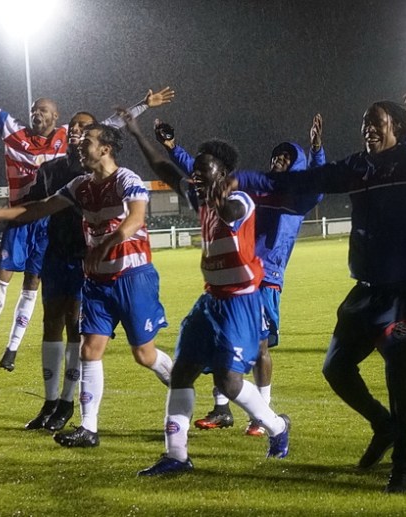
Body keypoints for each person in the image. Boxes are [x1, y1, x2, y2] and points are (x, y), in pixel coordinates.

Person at [244, 97, 406, 493]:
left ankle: (403, 464)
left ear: (399, 128)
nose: (368, 128)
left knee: (397, 373)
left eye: (377, 122)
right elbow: (306, 181)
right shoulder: (357, 167)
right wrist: (243, 179)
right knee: (335, 368)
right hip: (366, 289)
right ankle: (384, 425)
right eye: (364, 123)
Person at [0, 43, 174, 371]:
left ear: (56, 118)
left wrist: (142, 106)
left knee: (42, 296)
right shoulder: (15, 132)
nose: (37, 114)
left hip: (55, 223)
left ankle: (13, 350)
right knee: (5, 280)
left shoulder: (70, 140)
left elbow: (108, 126)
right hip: (23, 213)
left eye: (44, 111)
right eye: (34, 109)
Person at [0, 123, 173, 446]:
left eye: (88, 142)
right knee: (88, 350)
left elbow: (135, 219)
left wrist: (105, 244)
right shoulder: (80, 185)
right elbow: (39, 207)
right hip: (97, 281)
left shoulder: (127, 180)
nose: (80, 145)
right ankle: (88, 428)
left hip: (132, 278)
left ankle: (178, 382)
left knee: (143, 354)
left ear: (106, 149)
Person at [119, 109, 290, 476]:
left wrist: (214, 194)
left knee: (228, 383)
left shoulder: (239, 201)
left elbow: (228, 209)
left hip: (241, 301)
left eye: (203, 170)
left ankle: (277, 427)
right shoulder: (203, 197)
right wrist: (136, 133)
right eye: (194, 170)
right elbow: (165, 169)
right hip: (211, 300)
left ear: (224, 174)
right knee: (182, 372)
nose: (195, 176)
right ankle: (176, 456)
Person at [157, 115, 325, 436]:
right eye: (277, 155)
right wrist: (173, 149)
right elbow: (208, 172)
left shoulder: (296, 198)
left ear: (297, 165)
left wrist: (317, 149)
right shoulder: (254, 191)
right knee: (218, 343)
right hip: (235, 278)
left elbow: (317, 184)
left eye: (288, 157)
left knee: (260, 349)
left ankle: (263, 415)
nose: (279, 160)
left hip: (266, 280)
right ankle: (222, 410)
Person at [23, 113, 91, 432]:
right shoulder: (49, 170)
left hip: (84, 257)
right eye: (73, 127)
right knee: (50, 323)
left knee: (74, 324)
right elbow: (31, 205)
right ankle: (50, 401)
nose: (76, 130)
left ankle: (67, 400)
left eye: (84, 127)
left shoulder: (96, 172)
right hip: (55, 253)